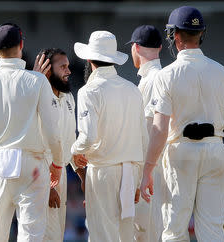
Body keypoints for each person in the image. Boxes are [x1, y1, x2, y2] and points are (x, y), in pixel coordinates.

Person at [140, 6, 224, 242]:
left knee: (174, 231)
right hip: (216, 151)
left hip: (181, 152)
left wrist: (147, 170)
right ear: (201, 34)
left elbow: (159, 130)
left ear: (174, 36)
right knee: (213, 231)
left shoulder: (166, 76)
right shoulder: (223, 73)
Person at [0, 23, 63, 242]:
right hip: (32, 164)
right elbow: (52, 130)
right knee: (31, 236)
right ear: (21, 45)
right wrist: (57, 164)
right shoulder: (37, 80)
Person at [71, 31, 147, 242]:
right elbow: (144, 139)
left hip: (103, 171)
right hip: (130, 172)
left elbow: (88, 137)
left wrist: (74, 151)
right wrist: (139, 179)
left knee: (102, 236)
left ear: (88, 59)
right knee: (125, 235)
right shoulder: (132, 90)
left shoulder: (89, 91)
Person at [33, 48, 87, 241]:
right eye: (62, 66)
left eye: (68, 66)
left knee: (56, 235)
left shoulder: (68, 97)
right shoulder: (36, 96)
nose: (68, 71)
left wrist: (82, 175)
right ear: (47, 69)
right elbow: (34, 144)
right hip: (40, 174)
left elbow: (69, 141)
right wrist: (47, 186)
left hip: (61, 172)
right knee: (41, 235)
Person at [127, 25, 164, 242]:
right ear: (159, 47)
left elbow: (152, 130)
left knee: (145, 233)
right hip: (154, 167)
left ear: (136, 47)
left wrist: (143, 173)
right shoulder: (153, 78)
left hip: (149, 169)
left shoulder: (153, 79)